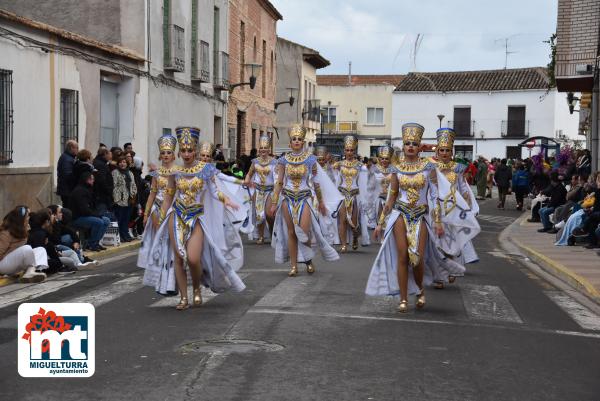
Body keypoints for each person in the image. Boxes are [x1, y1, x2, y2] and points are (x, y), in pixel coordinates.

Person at [144, 127, 245, 310]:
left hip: (196, 217)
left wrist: (227, 200)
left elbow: (215, 192)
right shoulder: (174, 171)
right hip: (176, 216)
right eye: (183, 150)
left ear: (196, 151)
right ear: (179, 151)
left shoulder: (205, 170)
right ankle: (183, 297)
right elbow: (168, 195)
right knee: (179, 258)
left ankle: (197, 288)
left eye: (190, 150)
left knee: (192, 258)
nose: (187, 153)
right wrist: (160, 216)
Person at [366, 123, 443, 313]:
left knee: (416, 257)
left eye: (414, 144)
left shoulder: (429, 167)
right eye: (407, 143)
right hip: (400, 214)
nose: (410, 146)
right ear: (403, 144)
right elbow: (392, 196)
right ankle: (402, 298)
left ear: (419, 147)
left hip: (420, 215)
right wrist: (380, 223)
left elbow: (434, 195)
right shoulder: (396, 168)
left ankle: (420, 289)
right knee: (402, 256)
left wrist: (438, 221)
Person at [270, 124, 341, 276]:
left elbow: (316, 182)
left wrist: (321, 202)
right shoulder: (283, 160)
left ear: (303, 142)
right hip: (287, 198)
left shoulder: (310, 160)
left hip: (304, 198)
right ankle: (294, 266)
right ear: (290, 142)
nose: (296, 141)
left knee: (304, 231)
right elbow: (280, 182)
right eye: (294, 139)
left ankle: (308, 260)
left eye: (299, 139)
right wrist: (274, 202)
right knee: (291, 232)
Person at [332, 136, 371, 252]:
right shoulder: (339, 165)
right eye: (347, 150)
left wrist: (363, 199)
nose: (349, 152)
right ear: (344, 151)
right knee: (343, 220)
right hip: (343, 195)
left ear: (355, 151)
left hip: (355, 196)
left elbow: (363, 184)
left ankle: (355, 237)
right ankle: (343, 244)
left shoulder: (360, 166)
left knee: (354, 223)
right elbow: (335, 180)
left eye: (352, 150)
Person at [243, 135, 277, 244]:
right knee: (259, 216)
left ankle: (272, 230)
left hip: (270, 191)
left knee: (269, 214)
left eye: (265, 148)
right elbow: (249, 174)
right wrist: (247, 180)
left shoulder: (274, 162)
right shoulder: (255, 162)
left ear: (269, 149)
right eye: (261, 148)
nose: (263, 150)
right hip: (258, 191)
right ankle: (261, 236)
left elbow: (277, 178)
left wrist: (277, 190)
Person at [0, 206, 47, 282]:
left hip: (12, 264)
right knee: (27, 248)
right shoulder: (6, 233)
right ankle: (28, 273)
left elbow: (20, 251)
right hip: (2, 265)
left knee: (40, 250)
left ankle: (30, 272)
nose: (29, 218)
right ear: (21, 219)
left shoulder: (20, 231)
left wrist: (26, 233)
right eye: (27, 216)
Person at [28, 209, 79, 274]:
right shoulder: (41, 233)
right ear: (46, 221)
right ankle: (63, 267)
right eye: (52, 215)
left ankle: (79, 263)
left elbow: (70, 231)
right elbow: (55, 242)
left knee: (71, 253)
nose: (53, 217)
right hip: (44, 259)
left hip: (52, 254)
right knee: (69, 261)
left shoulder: (46, 229)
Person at [70, 172, 110, 251]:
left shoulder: (87, 189)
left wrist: (96, 214)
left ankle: (96, 242)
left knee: (106, 220)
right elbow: (83, 209)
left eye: (93, 179)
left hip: (86, 215)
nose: (93, 181)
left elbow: (90, 207)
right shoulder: (79, 191)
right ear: (86, 180)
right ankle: (91, 243)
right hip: (77, 217)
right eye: (91, 179)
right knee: (99, 222)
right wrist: (96, 215)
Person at [112, 156, 138, 242]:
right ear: (118, 163)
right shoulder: (115, 172)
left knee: (126, 218)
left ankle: (125, 233)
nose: (122, 164)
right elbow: (114, 186)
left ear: (127, 164)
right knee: (120, 217)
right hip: (120, 199)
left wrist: (133, 195)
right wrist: (117, 199)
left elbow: (133, 184)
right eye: (120, 162)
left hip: (129, 199)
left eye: (124, 162)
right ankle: (120, 235)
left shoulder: (130, 172)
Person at [56, 140, 79, 208]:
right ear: (71, 148)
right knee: (68, 210)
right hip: (67, 191)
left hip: (67, 190)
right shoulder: (67, 159)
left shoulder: (69, 157)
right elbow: (68, 175)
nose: (78, 150)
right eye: (76, 148)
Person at [93, 147, 114, 215]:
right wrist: (109, 191)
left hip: (100, 195)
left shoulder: (97, 162)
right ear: (105, 154)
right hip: (102, 196)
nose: (110, 157)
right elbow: (102, 181)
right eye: (109, 154)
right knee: (102, 215)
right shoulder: (101, 165)